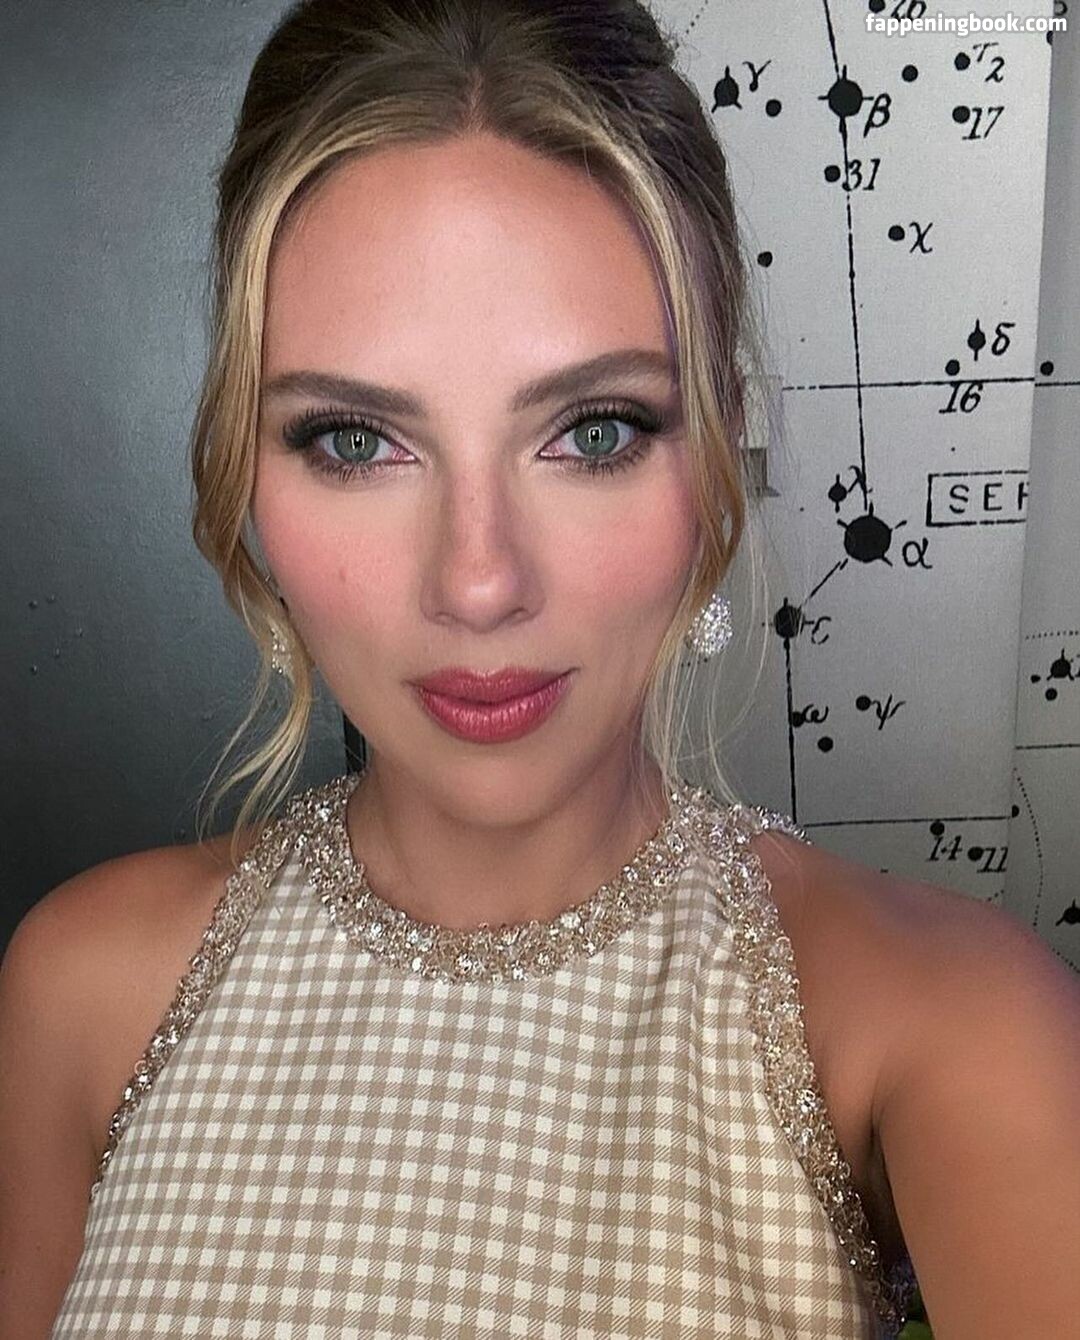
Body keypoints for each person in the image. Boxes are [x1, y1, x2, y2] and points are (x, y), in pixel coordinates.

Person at [2, 2, 1077, 1337]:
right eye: (354, 441)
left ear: (717, 449)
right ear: (243, 470)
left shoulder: (945, 1024)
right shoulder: (82, 982)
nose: (479, 583)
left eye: (596, 431)